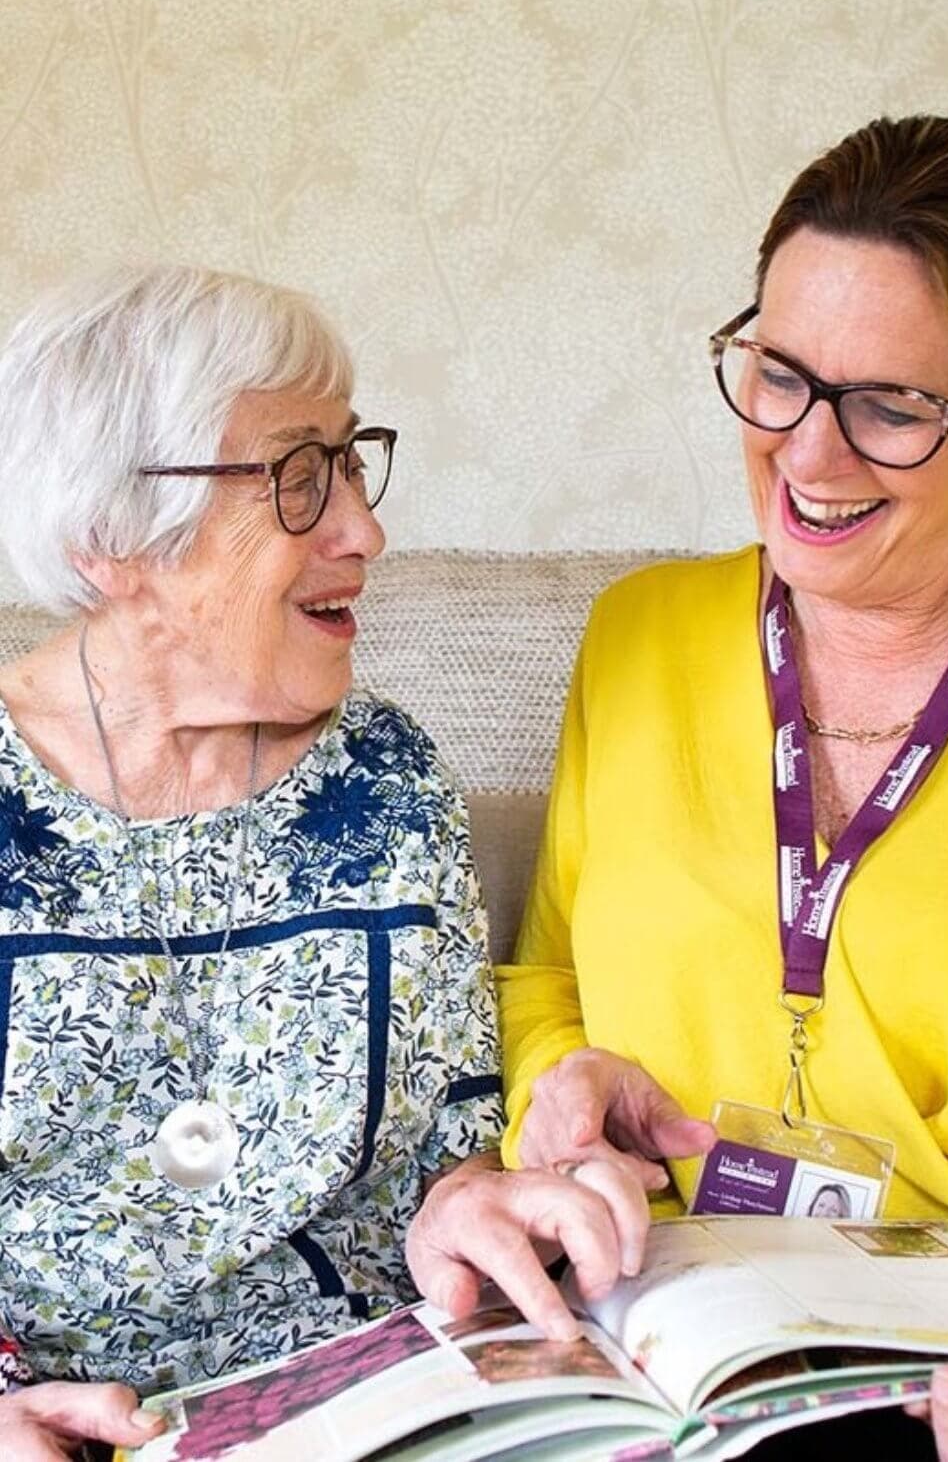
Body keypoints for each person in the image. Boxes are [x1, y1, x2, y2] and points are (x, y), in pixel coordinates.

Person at [498, 115, 948, 1458]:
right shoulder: (641, 631)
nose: (807, 455)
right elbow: (546, 979)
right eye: (777, 375)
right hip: (655, 1342)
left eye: (891, 406)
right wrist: (559, 1086)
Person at [0, 265, 642, 1461]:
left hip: (384, 1403)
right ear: (110, 536)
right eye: (299, 476)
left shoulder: (383, 773)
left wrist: (474, 1207)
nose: (365, 528)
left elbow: (445, 1153)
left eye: (351, 461)